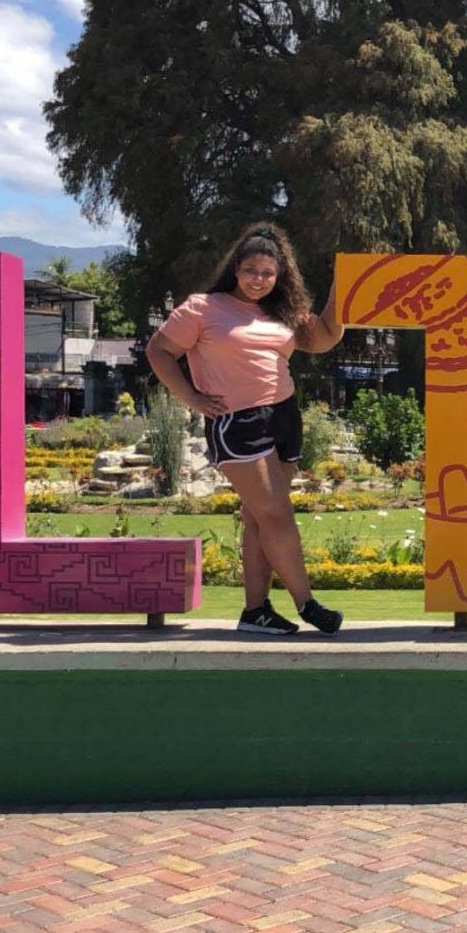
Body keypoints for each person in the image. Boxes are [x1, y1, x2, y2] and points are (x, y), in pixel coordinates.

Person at [146, 223, 346, 636]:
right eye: (252, 270)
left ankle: (256, 612)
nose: (259, 279)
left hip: (284, 416)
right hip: (235, 421)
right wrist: (191, 398)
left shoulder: (283, 311)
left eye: (268, 273)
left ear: (279, 276)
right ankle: (307, 604)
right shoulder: (203, 308)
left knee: (259, 518)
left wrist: (345, 285)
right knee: (275, 512)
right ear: (236, 268)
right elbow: (160, 351)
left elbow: (324, 338)